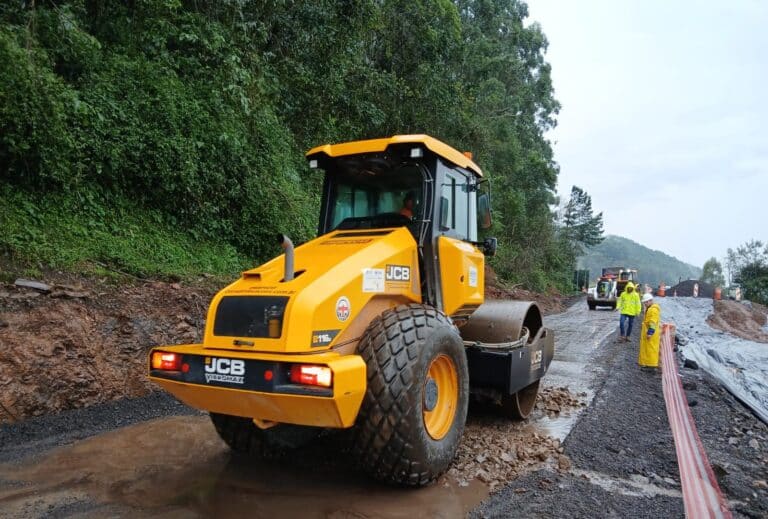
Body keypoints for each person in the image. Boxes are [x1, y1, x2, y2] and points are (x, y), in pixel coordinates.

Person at [639, 292, 661, 369]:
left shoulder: (653, 310)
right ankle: (647, 364)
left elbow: (653, 322)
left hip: (651, 333)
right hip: (648, 332)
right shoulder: (650, 309)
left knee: (651, 350)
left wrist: (650, 332)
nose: (644, 304)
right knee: (648, 349)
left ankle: (651, 366)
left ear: (649, 301)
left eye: (645, 302)